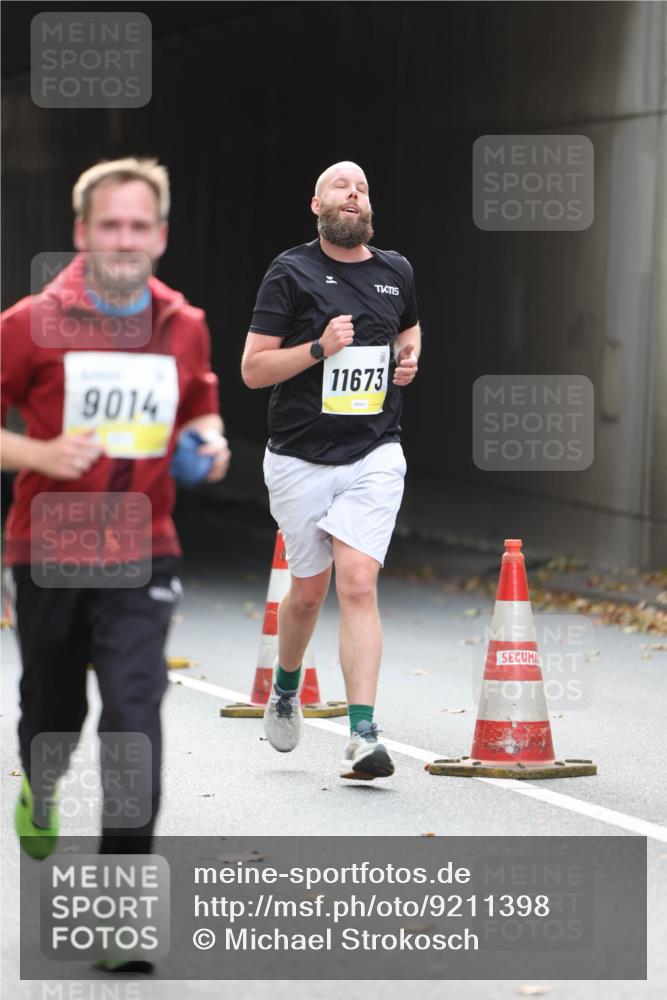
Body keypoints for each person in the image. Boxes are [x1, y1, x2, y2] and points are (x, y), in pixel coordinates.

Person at [1, 158, 230, 875]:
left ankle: (121, 898)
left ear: (160, 235)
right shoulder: (31, 324)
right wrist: (40, 450)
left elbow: (200, 404)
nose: (125, 239)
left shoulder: (184, 324)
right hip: (48, 548)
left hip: (145, 548)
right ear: (82, 232)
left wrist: (210, 443)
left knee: (134, 715)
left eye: (139, 225)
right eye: (110, 225)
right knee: (56, 714)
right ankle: (41, 784)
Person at [241, 160, 420, 780]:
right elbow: (254, 369)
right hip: (298, 458)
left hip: (374, 451)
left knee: (359, 584)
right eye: (342, 186)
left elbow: (410, 329)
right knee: (308, 592)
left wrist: (409, 354)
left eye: (364, 187)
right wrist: (320, 348)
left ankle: (362, 734)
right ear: (316, 202)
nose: (355, 194)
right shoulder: (289, 273)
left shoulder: (395, 271)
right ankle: (286, 689)